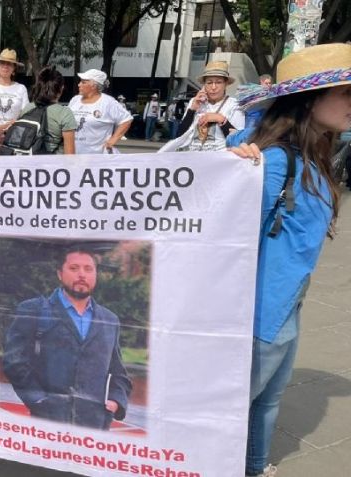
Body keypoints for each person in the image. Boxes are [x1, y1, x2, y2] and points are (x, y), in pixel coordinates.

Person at [228, 43, 350, 477]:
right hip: (259, 313)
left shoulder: (316, 156)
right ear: (311, 99)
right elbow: (231, 241)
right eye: (346, 93)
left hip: (288, 306)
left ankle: (256, 467)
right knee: (231, 409)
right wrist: (235, 162)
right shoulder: (276, 161)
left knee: (269, 400)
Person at [2, 247, 132, 429]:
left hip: (94, 428)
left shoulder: (109, 319)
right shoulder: (34, 310)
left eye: (88, 269)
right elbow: (14, 361)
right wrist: (38, 400)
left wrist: (115, 402)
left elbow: (119, 373)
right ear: (60, 274)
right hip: (48, 424)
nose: (81, 275)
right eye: (74, 268)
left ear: (96, 274)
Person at [160, 61, 244, 152]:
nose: (213, 87)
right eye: (209, 83)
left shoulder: (235, 105)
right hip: (193, 158)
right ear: (204, 85)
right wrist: (192, 110)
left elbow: (239, 141)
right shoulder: (195, 102)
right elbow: (180, 135)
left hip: (219, 160)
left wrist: (221, 120)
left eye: (218, 82)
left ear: (226, 84)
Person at [67, 69, 133, 154]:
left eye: (83, 82)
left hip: (97, 157)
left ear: (93, 86)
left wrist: (112, 140)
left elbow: (126, 120)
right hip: (73, 154)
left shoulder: (108, 102)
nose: (79, 85)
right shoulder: (75, 100)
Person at [19, 65, 76, 154]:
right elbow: (70, 154)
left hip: (29, 162)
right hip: (55, 165)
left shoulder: (28, 108)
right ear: (61, 88)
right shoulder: (65, 113)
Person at [0, 49, 29, 142]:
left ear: (14, 69)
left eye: (9, 64)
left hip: (15, 135)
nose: (5, 66)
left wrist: (11, 126)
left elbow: (26, 114)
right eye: (2, 63)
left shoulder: (21, 88)